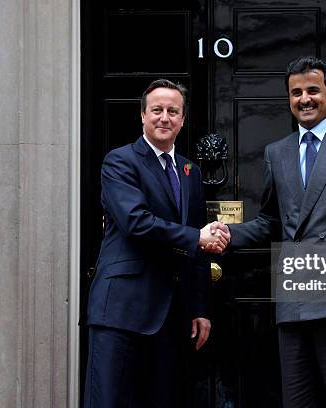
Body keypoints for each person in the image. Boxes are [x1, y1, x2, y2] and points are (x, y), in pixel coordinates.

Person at [208, 56, 326, 407]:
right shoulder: (276, 153)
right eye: (296, 92)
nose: (304, 99)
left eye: (313, 90)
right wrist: (227, 234)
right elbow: (271, 221)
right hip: (295, 300)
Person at [84, 79, 230, 407]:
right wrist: (198, 237)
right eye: (157, 110)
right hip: (121, 310)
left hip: (171, 314)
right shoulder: (119, 162)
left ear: (182, 119)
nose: (164, 117)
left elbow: (196, 248)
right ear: (142, 116)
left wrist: (200, 309)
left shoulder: (190, 171)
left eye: (172, 111)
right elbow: (137, 223)